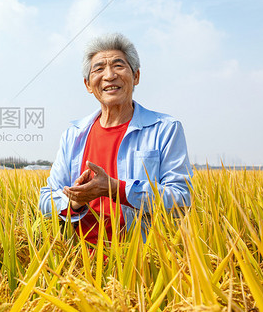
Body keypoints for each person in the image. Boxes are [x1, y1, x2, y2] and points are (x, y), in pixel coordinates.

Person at [38, 33, 192, 243]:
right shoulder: (74, 135)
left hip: (141, 261)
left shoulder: (165, 130)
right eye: (99, 69)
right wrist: (75, 201)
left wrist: (117, 189)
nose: (109, 75)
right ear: (88, 85)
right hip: (78, 264)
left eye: (118, 66)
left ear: (136, 76)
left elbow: (182, 199)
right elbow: (45, 201)